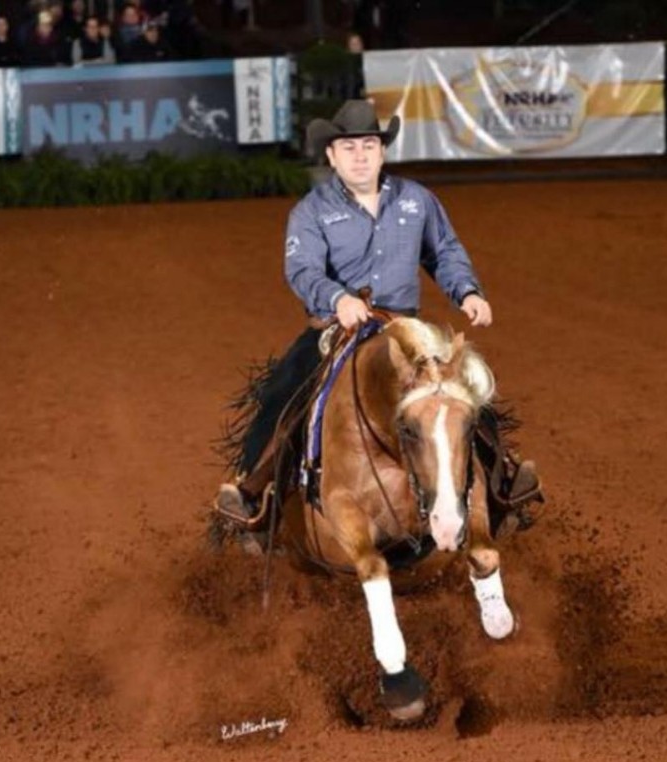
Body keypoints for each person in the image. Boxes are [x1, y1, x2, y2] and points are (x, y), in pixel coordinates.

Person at [215, 99, 540, 533]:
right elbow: (303, 270)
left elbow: (444, 251)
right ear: (331, 155)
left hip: (406, 328)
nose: (360, 156)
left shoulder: (416, 200)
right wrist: (338, 299)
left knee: (463, 390)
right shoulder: (311, 211)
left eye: (369, 145)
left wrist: (467, 291)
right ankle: (254, 493)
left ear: (382, 151)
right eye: (349, 147)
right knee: (284, 391)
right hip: (338, 327)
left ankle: (500, 483)